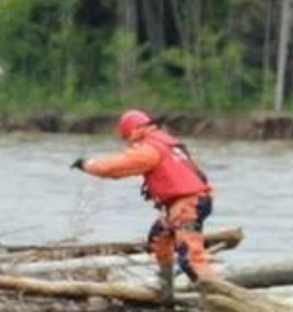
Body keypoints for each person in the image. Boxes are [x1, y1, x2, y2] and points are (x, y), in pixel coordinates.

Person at [72, 109, 214, 300]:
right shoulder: (167, 142)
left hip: (187, 204)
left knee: (191, 259)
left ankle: (219, 301)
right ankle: (166, 292)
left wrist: (87, 164)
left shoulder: (149, 148)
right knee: (159, 236)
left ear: (131, 131)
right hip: (189, 201)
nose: (129, 144)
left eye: (127, 139)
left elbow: (115, 167)